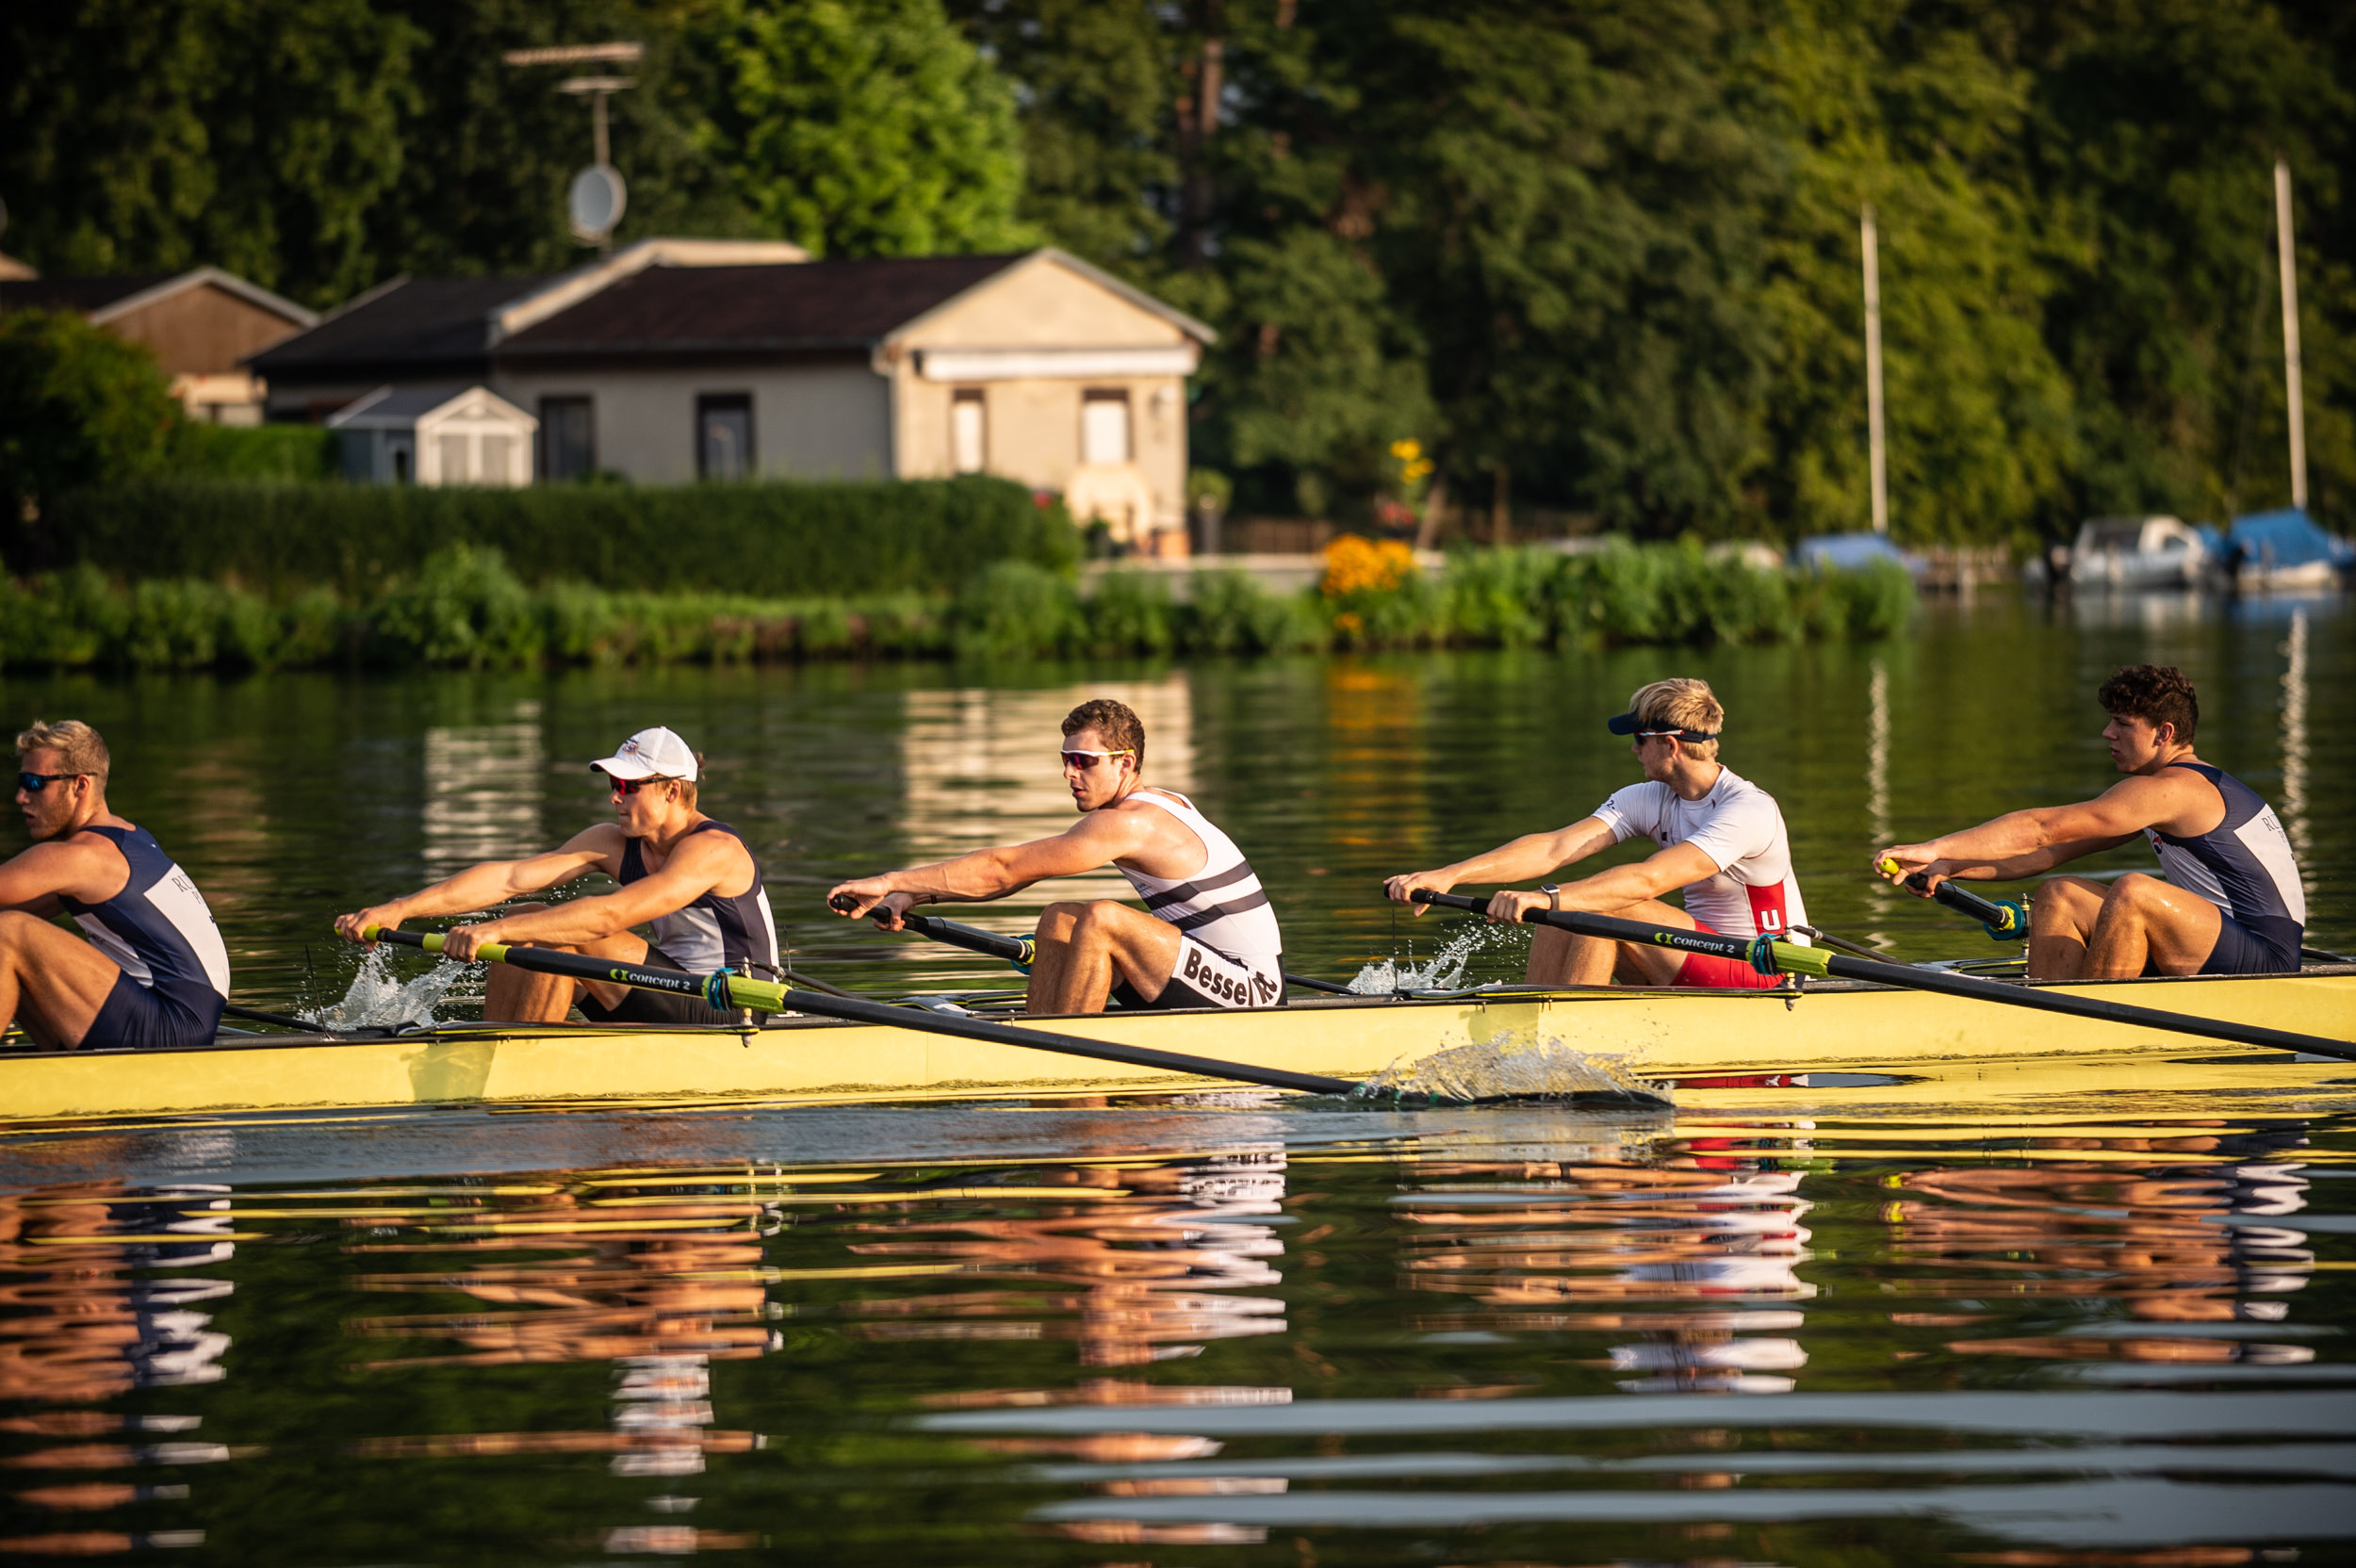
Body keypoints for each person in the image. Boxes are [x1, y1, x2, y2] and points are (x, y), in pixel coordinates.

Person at [826, 697, 1285, 1015]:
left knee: (1103, 918)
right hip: (1209, 971)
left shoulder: (1132, 822)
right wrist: (913, 896)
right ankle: (1043, 1035)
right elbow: (1016, 876)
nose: (1069, 772)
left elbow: (1002, 869)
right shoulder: (1155, 805)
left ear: (1125, 763)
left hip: (1253, 990)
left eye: (1084, 761)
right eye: (1066, 758)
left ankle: (1064, 1053)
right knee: (1060, 919)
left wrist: (889, 881)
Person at [1873, 663, 2303, 979]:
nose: (2107, 734)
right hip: (2214, 940)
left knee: (2134, 892)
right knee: (2060, 895)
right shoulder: (2159, 794)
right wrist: (1949, 866)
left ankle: (2088, 1023)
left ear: (2164, 734)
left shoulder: (2176, 790)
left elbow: (2043, 827)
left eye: (2122, 724)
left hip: (2266, 960)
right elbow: (2048, 851)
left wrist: (1935, 846)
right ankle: (2045, 1016)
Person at [335, 726, 779, 1024]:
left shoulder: (713, 850)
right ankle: (495, 1046)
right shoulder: (612, 841)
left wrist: (495, 927)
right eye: (613, 786)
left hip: (734, 1007)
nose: (615, 799)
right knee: (530, 914)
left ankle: (519, 1066)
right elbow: (509, 878)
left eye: (627, 787)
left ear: (672, 790)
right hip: (661, 993)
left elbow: (608, 916)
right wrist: (399, 909)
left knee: (557, 929)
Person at [1383, 678, 1808, 988]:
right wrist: (1450, 875)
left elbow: (1649, 880)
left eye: (1639, 739)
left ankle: (1566, 1039)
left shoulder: (1747, 810)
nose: (1633, 749)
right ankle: (1533, 1023)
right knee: (1563, 907)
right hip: (1701, 961)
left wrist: (1547, 897)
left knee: (1602, 906)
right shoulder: (1650, 797)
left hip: (1767, 969)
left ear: (1670, 744)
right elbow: (1555, 847)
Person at [0, 720, 231, 1049]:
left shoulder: (84, 857)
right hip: (180, 1018)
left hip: (172, 1025)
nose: (21, 796)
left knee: (8, 933)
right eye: (22, 782)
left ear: (80, 786)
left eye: (35, 782)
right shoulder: (129, 837)